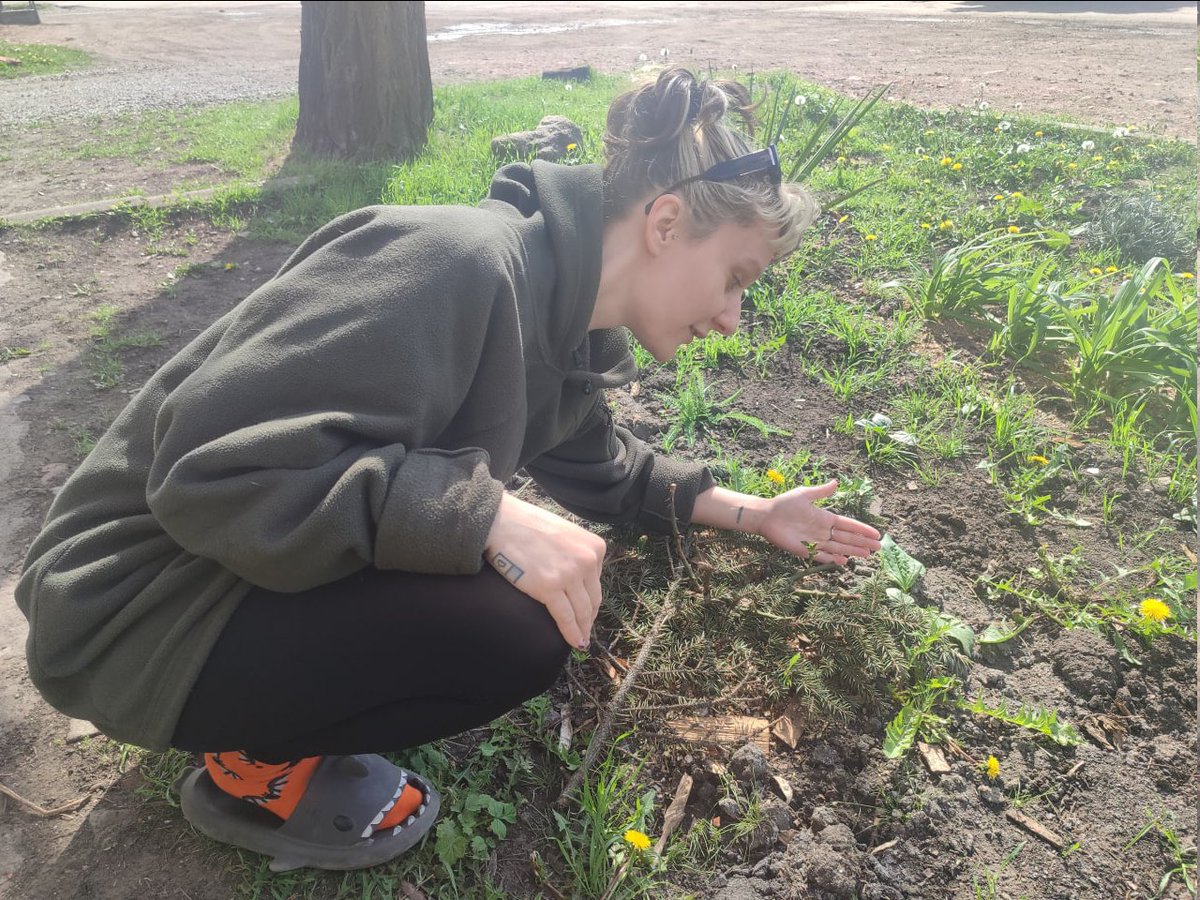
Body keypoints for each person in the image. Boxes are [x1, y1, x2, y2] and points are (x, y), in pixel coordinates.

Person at [15, 67, 882, 872]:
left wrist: (755, 513)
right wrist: (487, 514)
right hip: (131, 607)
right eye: (735, 277)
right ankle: (249, 765)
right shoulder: (452, 262)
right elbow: (211, 476)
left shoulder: (568, 328)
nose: (732, 317)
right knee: (508, 630)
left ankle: (269, 697)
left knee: (514, 606)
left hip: (214, 567)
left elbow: (608, 470)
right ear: (663, 225)